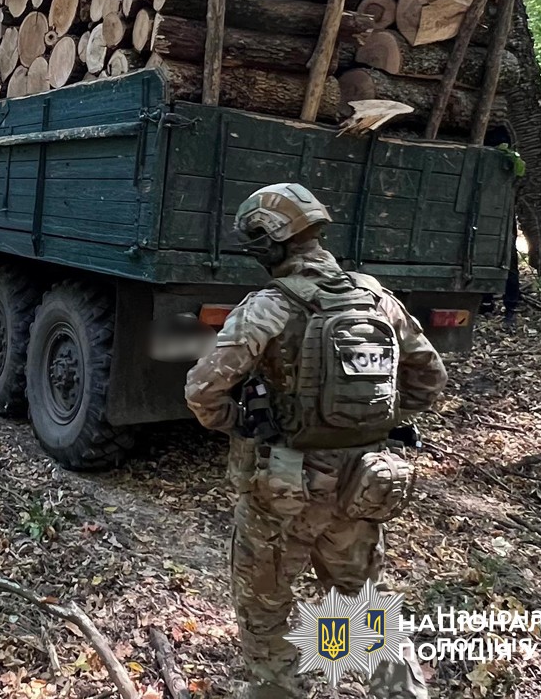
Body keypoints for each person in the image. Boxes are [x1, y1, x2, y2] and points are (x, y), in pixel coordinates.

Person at [184, 184, 446, 699]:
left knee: (266, 605)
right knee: (358, 599)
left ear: (269, 242)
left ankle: (278, 690)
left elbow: (202, 391)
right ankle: (392, 688)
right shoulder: (375, 297)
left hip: (281, 488)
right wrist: (372, 426)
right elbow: (430, 378)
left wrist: (241, 423)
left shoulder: (268, 306)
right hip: (363, 481)